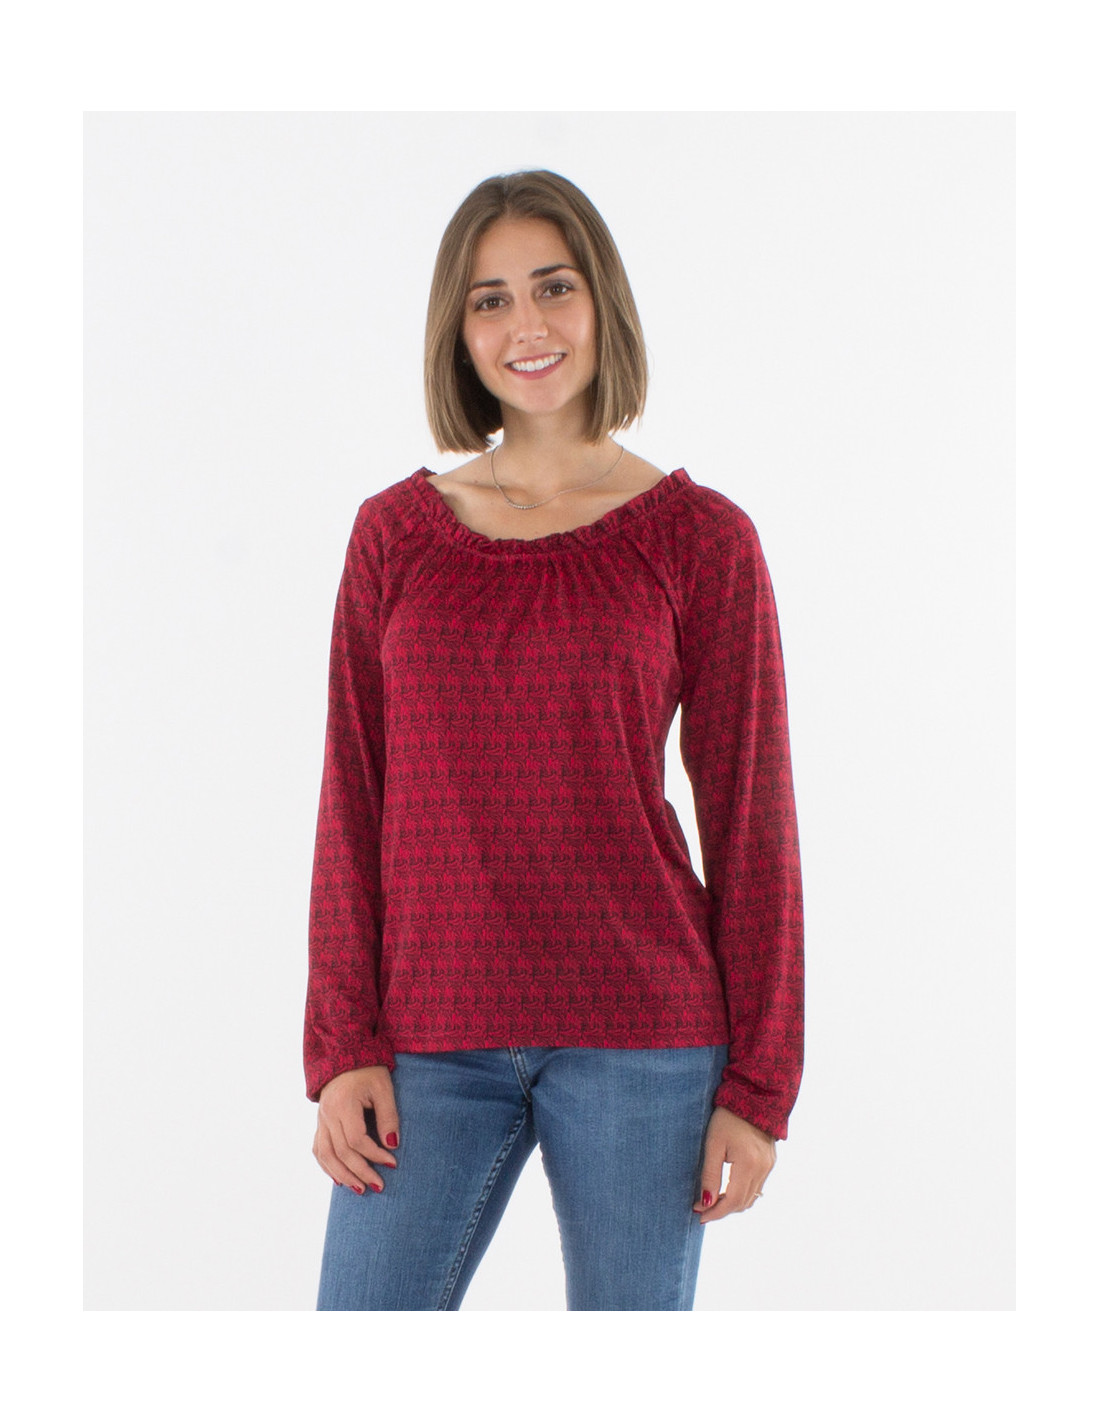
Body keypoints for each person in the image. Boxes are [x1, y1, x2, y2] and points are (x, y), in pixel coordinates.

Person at [304, 169, 804, 1311]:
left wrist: (760, 1086)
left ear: (601, 302)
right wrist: (341, 1042)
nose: (525, 325)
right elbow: (352, 796)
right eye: (489, 300)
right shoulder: (393, 537)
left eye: (553, 287)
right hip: (426, 1038)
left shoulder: (701, 540)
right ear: (457, 330)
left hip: (644, 1034)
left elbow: (752, 817)